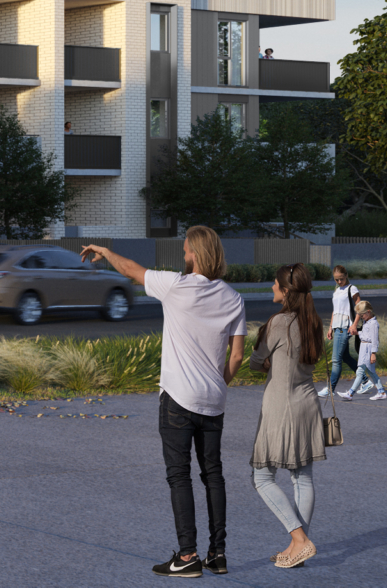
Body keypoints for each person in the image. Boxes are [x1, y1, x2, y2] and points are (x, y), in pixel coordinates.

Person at [80, 226, 248, 578]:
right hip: (214, 400)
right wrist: (217, 384)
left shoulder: (176, 286)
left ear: (197, 255)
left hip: (178, 400)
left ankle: (187, 557)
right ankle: (218, 554)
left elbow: (131, 270)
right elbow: (235, 358)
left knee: (180, 476)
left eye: (187, 252)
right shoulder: (234, 298)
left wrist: (105, 252)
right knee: (213, 475)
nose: (183, 257)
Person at [246, 262, 324, 569]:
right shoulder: (313, 321)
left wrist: (268, 364)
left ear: (286, 290)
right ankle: (297, 548)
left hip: (281, 407)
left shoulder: (279, 323)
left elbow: (255, 362)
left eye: (275, 283)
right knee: (302, 478)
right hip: (307, 403)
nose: (271, 287)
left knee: (262, 477)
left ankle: (300, 540)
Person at [319, 265, 362, 398]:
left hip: (346, 327)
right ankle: (365, 380)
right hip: (337, 326)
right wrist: (330, 327)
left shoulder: (352, 289)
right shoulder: (337, 290)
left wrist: (354, 325)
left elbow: (360, 308)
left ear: (346, 275)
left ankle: (330, 388)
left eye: (341, 279)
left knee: (336, 359)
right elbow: (335, 310)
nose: (339, 282)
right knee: (345, 357)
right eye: (336, 280)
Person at [347, 303, 385, 401]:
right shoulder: (366, 321)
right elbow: (365, 334)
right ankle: (380, 392)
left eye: (362, 315)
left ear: (368, 312)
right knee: (362, 371)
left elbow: (374, 340)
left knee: (369, 372)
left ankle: (350, 393)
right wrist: (358, 333)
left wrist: (373, 354)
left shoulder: (373, 324)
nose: (361, 317)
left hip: (368, 349)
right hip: (363, 348)